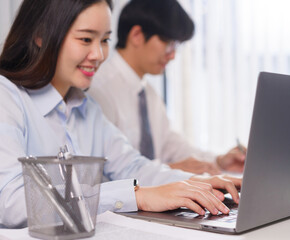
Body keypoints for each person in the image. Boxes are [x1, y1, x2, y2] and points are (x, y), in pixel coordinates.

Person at [0, 0, 242, 228]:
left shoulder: (85, 107)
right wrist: (136, 196)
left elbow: (132, 166)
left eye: (104, 40)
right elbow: (11, 202)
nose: (99, 55)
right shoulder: (2, 95)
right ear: (41, 36)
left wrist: (200, 183)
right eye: (86, 40)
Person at [89, 0, 246, 175]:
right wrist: (169, 170)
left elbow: (172, 146)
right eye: (168, 43)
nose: (172, 55)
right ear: (137, 35)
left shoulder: (148, 94)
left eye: (176, 46)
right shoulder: (97, 90)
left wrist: (218, 161)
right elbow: (101, 174)